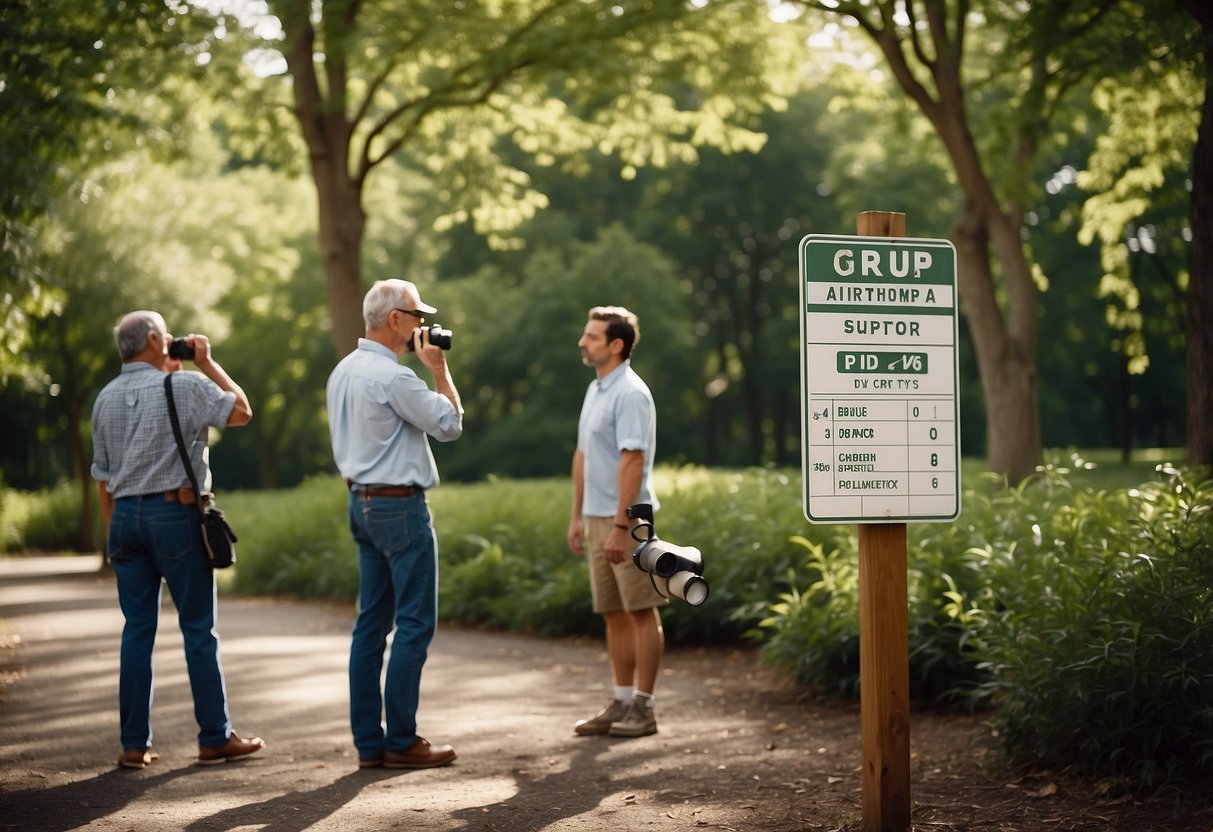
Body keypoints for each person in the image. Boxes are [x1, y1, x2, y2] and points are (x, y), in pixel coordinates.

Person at [91, 311, 265, 768]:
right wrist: (206, 363)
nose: (172, 343)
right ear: (153, 339)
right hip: (174, 516)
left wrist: (116, 529)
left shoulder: (104, 398)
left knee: (136, 630)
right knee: (197, 629)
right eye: (166, 337)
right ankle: (214, 736)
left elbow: (102, 479)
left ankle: (133, 745)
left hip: (125, 518)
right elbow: (241, 411)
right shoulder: (185, 386)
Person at [326, 279, 464, 770]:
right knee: (413, 624)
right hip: (400, 508)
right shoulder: (395, 378)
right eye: (416, 315)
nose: (422, 325)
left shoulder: (342, 371)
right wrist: (441, 371)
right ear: (394, 320)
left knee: (370, 627)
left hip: (360, 504)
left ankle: (370, 743)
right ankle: (402, 740)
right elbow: (449, 426)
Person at [566, 306, 666, 738]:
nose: (582, 342)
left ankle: (644, 709)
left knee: (641, 611)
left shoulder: (630, 393)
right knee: (613, 613)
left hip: (627, 521)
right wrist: (576, 515)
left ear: (615, 345)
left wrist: (623, 527)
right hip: (595, 517)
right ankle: (621, 700)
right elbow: (583, 457)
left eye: (591, 336)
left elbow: (633, 461)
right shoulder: (597, 390)